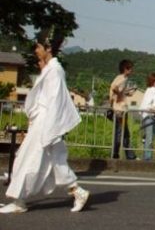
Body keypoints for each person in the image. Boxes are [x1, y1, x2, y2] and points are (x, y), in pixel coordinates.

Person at [0, 28, 89, 214]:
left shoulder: (55, 71)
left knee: (26, 159)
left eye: (39, 46)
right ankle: (77, 191)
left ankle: (19, 201)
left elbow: (55, 101)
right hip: (45, 123)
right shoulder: (51, 70)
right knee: (55, 161)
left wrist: (48, 129)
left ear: (48, 48)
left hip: (46, 124)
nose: (36, 50)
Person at [109, 59, 137, 160]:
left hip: (120, 109)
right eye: (129, 68)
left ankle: (123, 154)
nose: (131, 70)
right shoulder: (122, 78)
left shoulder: (122, 78)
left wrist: (126, 93)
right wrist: (120, 94)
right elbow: (113, 87)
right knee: (121, 133)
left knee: (123, 133)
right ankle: (117, 153)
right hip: (119, 110)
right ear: (125, 69)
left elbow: (116, 89)